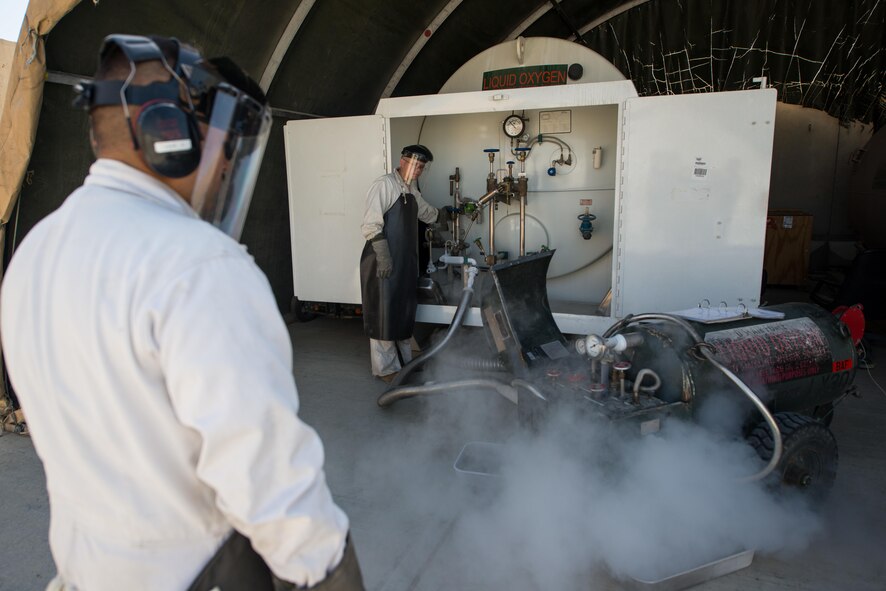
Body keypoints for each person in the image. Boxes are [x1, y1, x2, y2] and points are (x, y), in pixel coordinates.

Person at [0, 34, 363, 591]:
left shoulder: (36, 252)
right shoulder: (200, 264)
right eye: (224, 145)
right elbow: (268, 480)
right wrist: (331, 574)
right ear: (168, 132)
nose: (224, 170)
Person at [360, 145, 452, 382]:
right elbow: (371, 224)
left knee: (402, 311)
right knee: (384, 313)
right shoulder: (385, 184)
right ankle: (386, 369)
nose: (418, 170)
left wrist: (448, 213)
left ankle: (405, 362)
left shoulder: (410, 189)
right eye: (415, 165)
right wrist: (383, 256)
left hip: (403, 262)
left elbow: (427, 214)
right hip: (383, 261)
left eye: (422, 167)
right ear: (402, 161)